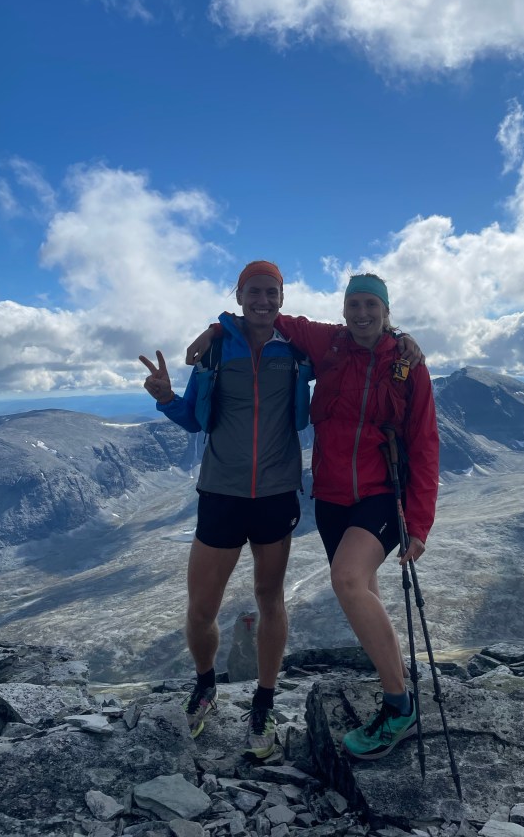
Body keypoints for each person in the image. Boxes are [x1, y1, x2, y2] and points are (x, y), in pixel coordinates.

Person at [187, 272, 439, 761]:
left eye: (371, 305)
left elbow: (425, 444)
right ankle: (390, 679)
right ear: (343, 310)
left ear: (386, 311)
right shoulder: (329, 343)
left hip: (382, 493)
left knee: (347, 580)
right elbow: (266, 318)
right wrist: (217, 329)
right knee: (364, 591)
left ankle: (399, 705)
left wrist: (420, 523)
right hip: (332, 498)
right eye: (354, 304)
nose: (362, 313)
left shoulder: (407, 366)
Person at [139, 261, 304, 759]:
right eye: (254, 292)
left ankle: (264, 701)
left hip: (275, 493)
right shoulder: (215, 350)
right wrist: (166, 397)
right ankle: (205, 684)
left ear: (282, 297)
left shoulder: (296, 347)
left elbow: (355, 345)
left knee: (270, 599)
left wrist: (403, 341)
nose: (263, 301)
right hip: (221, 494)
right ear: (239, 296)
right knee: (201, 608)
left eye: (271, 292)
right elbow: (195, 418)